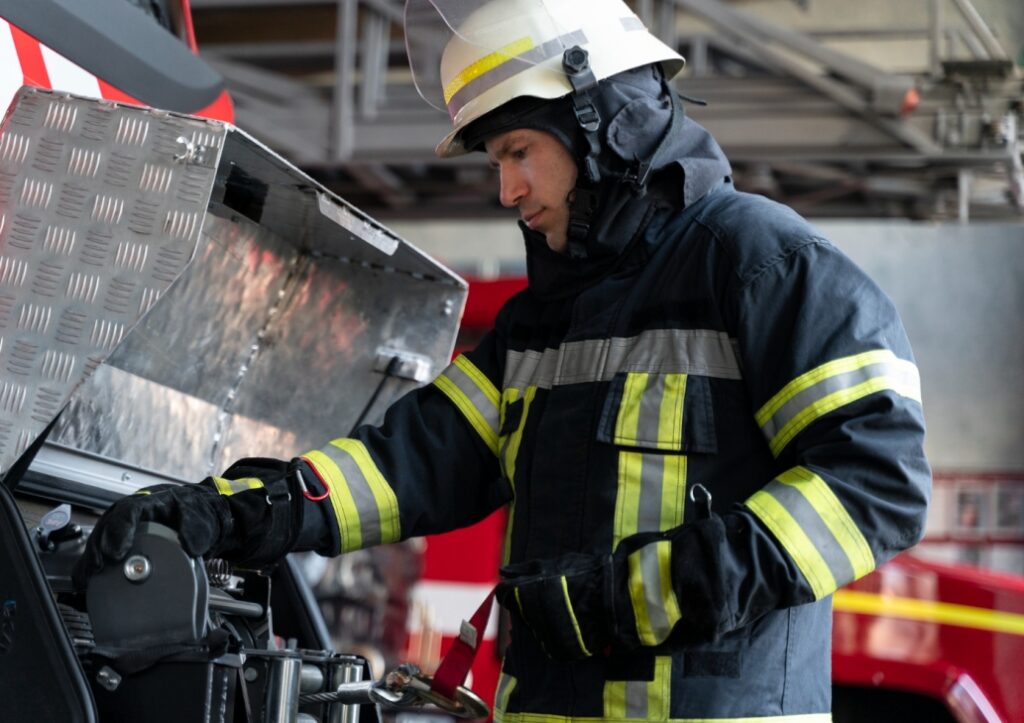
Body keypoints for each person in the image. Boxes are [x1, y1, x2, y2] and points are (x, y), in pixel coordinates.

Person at [75, 0, 932, 720]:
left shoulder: (762, 265)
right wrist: (234, 511)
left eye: (520, 152)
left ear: (603, 121)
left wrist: (648, 591)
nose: (507, 189)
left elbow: (877, 480)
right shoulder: (541, 325)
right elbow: (411, 462)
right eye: (499, 162)